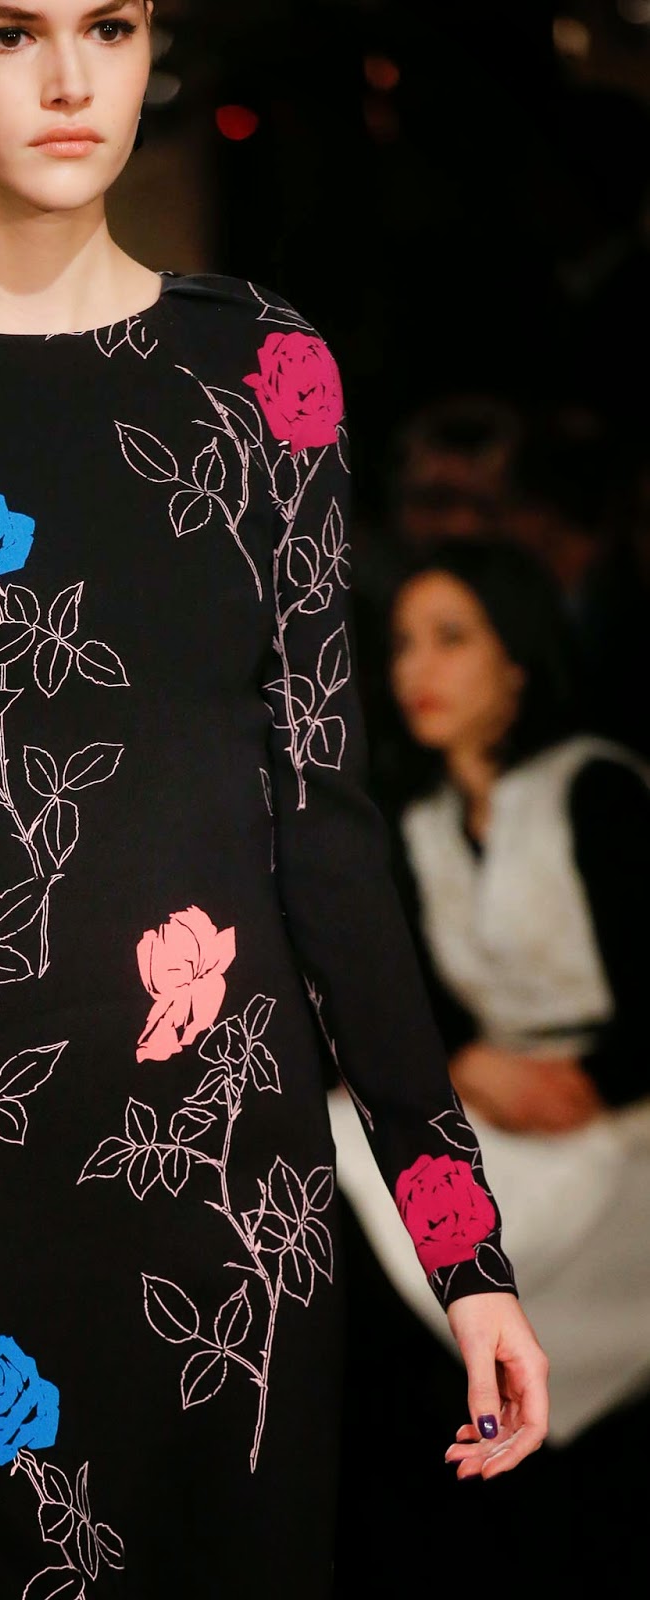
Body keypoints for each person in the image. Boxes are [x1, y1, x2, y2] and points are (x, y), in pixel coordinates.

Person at [0, 5, 549, 1595]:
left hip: (235, 1172)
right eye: (8, 31)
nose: (67, 78)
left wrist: (463, 1250)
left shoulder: (265, 371)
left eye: (106, 23)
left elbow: (326, 832)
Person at [331, 535, 648, 1589]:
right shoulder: (416, 821)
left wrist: (591, 1083)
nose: (414, 669)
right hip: (498, 1097)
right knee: (340, 1146)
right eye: (402, 644)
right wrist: (469, 1064)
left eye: (450, 639)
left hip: (616, 1108)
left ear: (515, 657)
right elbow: (416, 1005)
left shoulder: (594, 788)